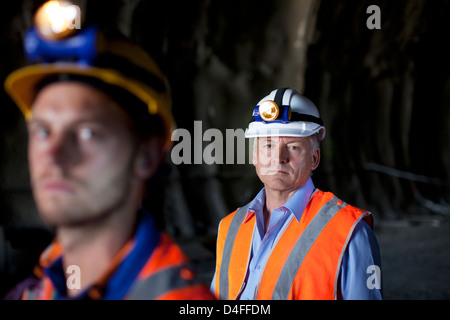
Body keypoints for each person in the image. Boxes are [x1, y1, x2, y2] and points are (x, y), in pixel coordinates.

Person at [3, 1, 214, 300]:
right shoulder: (45, 283)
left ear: (147, 155)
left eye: (88, 133)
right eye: (43, 131)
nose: (53, 154)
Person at [211, 88, 382, 300]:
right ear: (254, 155)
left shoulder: (350, 232)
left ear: (315, 159)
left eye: (293, 147)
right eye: (268, 145)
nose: (279, 158)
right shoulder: (230, 227)